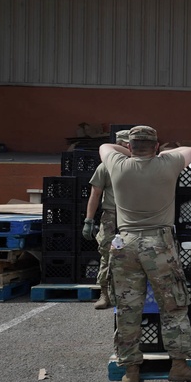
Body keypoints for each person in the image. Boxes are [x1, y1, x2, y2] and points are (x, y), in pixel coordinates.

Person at [99, 125, 191, 382]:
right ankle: (179, 366)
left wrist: (127, 151)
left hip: (124, 244)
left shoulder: (117, 165)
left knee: (127, 308)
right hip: (158, 243)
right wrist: (158, 155)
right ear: (156, 146)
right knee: (172, 304)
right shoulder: (167, 164)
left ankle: (131, 370)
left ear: (131, 146)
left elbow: (105, 148)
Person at [83, 130, 129, 310]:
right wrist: (88, 220)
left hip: (133, 215)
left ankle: (127, 295)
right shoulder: (105, 167)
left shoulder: (138, 164)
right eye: (122, 144)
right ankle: (105, 293)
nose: (126, 148)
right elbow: (95, 194)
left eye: (128, 144)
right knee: (107, 255)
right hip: (111, 215)